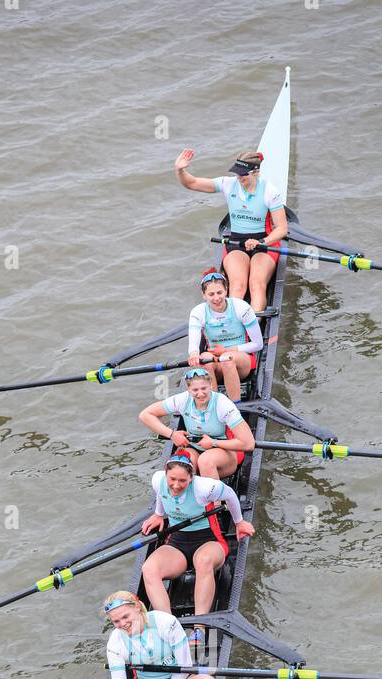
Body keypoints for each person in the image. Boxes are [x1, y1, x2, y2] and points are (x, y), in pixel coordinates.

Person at [140, 453, 253, 617]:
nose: (176, 485)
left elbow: (229, 494)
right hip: (177, 543)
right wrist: (158, 514)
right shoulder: (158, 480)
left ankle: (200, 624)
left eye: (182, 481)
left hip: (209, 541)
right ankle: (169, 624)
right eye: (172, 479)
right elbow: (161, 494)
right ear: (165, 474)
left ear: (191, 477)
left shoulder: (204, 487)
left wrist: (239, 522)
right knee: (148, 569)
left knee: (203, 561)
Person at [174, 148, 288, 311]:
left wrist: (261, 242)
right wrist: (180, 170)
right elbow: (192, 183)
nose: (239, 177)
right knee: (238, 286)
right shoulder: (228, 184)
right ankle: (233, 325)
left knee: (256, 285)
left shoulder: (269, 191)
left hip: (264, 244)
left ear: (255, 172)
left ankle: (254, 325)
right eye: (237, 173)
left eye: (244, 174)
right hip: (236, 243)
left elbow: (282, 229)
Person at [103, 589, 218, 679]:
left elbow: (185, 665)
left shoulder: (165, 622)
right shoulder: (116, 639)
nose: (123, 624)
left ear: (137, 607)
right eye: (116, 621)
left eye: (126, 616)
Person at [139, 365, 255, 480]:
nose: (200, 394)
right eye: (195, 390)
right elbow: (145, 415)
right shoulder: (182, 399)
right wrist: (172, 434)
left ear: (210, 385)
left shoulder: (222, 404)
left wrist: (213, 443)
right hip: (194, 448)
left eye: (204, 388)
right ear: (188, 389)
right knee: (179, 467)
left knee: (205, 461)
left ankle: (214, 498)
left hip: (224, 452)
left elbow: (248, 444)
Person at [188, 267, 264, 401]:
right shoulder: (198, 312)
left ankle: (234, 408)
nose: (216, 298)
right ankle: (212, 404)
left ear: (226, 291)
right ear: (204, 295)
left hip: (242, 361)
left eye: (219, 292)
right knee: (204, 357)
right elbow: (193, 340)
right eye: (211, 294)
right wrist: (194, 353)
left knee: (226, 358)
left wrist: (227, 350)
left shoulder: (242, 307)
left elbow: (258, 344)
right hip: (215, 361)